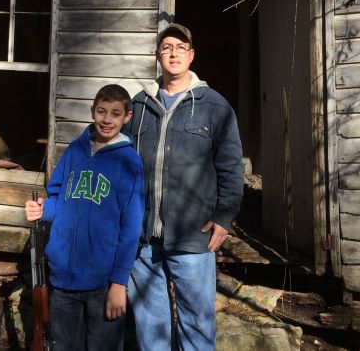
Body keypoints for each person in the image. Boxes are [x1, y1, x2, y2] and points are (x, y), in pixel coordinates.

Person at [127, 23, 244, 351]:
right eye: (166, 47)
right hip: (143, 239)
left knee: (196, 324)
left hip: (193, 235)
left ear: (191, 56)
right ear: (158, 56)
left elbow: (232, 168)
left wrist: (224, 217)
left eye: (180, 47)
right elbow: (118, 159)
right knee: (151, 329)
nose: (173, 53)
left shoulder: (214, 106)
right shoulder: (139, 106)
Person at [25, 84, 145, 351]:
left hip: (103, 283)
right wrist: (43, 210)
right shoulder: (74, 152)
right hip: (63, 278)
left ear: (127, 117)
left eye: (115, 113)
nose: (107, 119)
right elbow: (58, 199)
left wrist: (119, 283)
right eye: (102, 111)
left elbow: (131, 227)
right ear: (92, 112)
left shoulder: (129, 162)